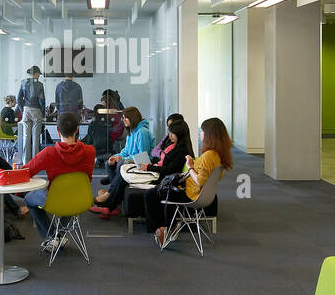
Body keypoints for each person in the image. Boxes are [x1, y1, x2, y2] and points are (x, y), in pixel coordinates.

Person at [147, 116, 233, 248]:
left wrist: (190, 166)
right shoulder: (219, 154)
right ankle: (171, 225)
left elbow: (199, 181)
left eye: (203, 130)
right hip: (202, 195)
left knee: (151, 194)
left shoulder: (208, 155)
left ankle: (164, 228)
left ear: (210, 134)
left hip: (191, 194)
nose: (200, 133)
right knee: (164, 190)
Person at [21, 111, 95, 253]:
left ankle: (52, 236)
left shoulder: (49, 153)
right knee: (70, 193)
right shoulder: (90, 151)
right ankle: (59, 235)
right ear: (77, 129)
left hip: (56, 201)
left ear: (57, 130)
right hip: (81, 199)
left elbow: (26, 171)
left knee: (30, 197)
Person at [92, 116, 193, 218]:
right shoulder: (172, 145)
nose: (169, 136)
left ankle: (109, 204)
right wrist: (149, 164)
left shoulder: (181, 150)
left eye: (172, 133)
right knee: (122, 170)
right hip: (155, 170)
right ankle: (110, 203)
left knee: (123, 170)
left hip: (160, 177)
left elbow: (168, 170)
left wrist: (148, 167)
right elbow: (158, 157)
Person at [104, 106, 153, 176]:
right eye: (123, 118)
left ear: (133, 118)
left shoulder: (142, 132)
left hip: (142, 161)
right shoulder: (131, 131)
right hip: (132, 158)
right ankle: (114, 182)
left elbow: (142, 155)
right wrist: (116, 156)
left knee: (121, 164)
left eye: (126, 118)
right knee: (108, 163)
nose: (123, 120)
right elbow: (126, 150)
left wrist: (122, 158)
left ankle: (114, 184)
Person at [17, 65, 46, 163]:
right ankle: (35, 161)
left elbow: (18, 98)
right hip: (36, 110)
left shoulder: (23, 82)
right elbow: (42, 100)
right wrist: (43, 114)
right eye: (39, 75)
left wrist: (22, 110)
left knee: (26, 136)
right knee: (36, 136)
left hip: (26, 110)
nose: (39, 76)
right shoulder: (40, 85)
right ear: (36, 74)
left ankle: (26, 162)